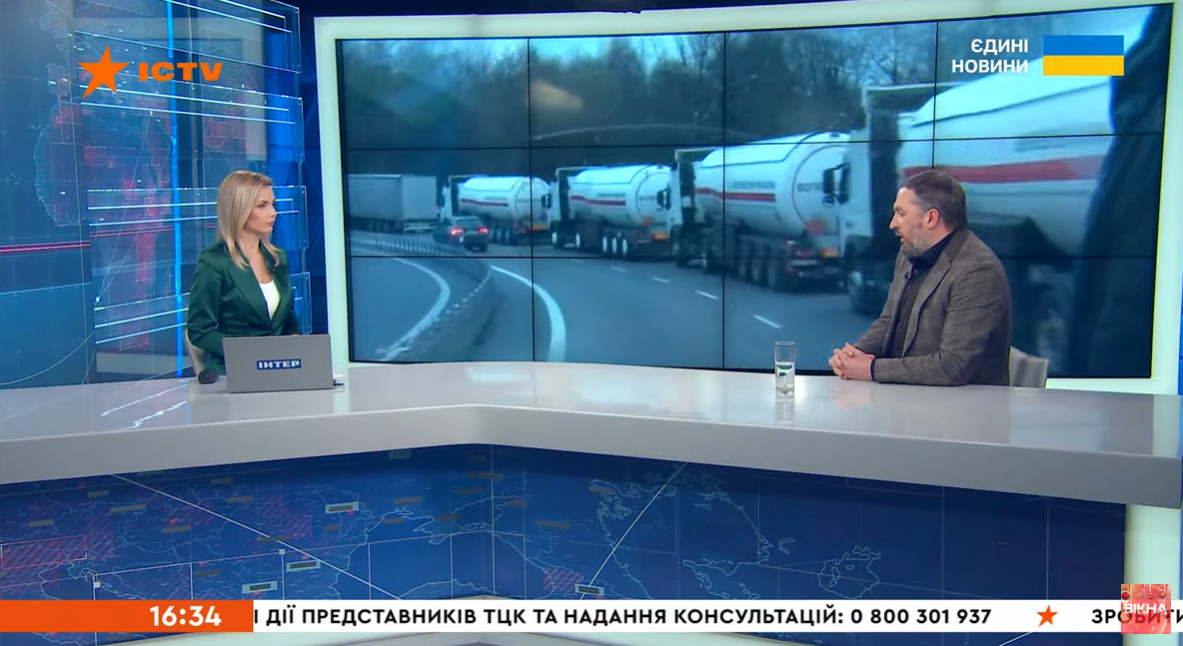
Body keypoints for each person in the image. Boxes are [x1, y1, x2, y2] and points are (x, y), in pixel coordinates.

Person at [829, 169, 1011, 386]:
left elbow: (952, 366)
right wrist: (852, 357)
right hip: (906, 395)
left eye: (901, 213)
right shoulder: (909, 253)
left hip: (962, 404)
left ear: (930, 218)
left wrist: (870, 369)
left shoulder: (977, 270)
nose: (892, 223)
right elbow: (888, 322)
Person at [186, 170, 300, 375]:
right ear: (239, 209)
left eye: (273, 204)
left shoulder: (277, 258)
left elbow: (287, 316)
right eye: (262, 206)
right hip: (233, 372)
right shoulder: (214, 262)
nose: (273, 213)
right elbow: (199, 330)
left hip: (278, 368)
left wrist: (293, 339)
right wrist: (250, 352)